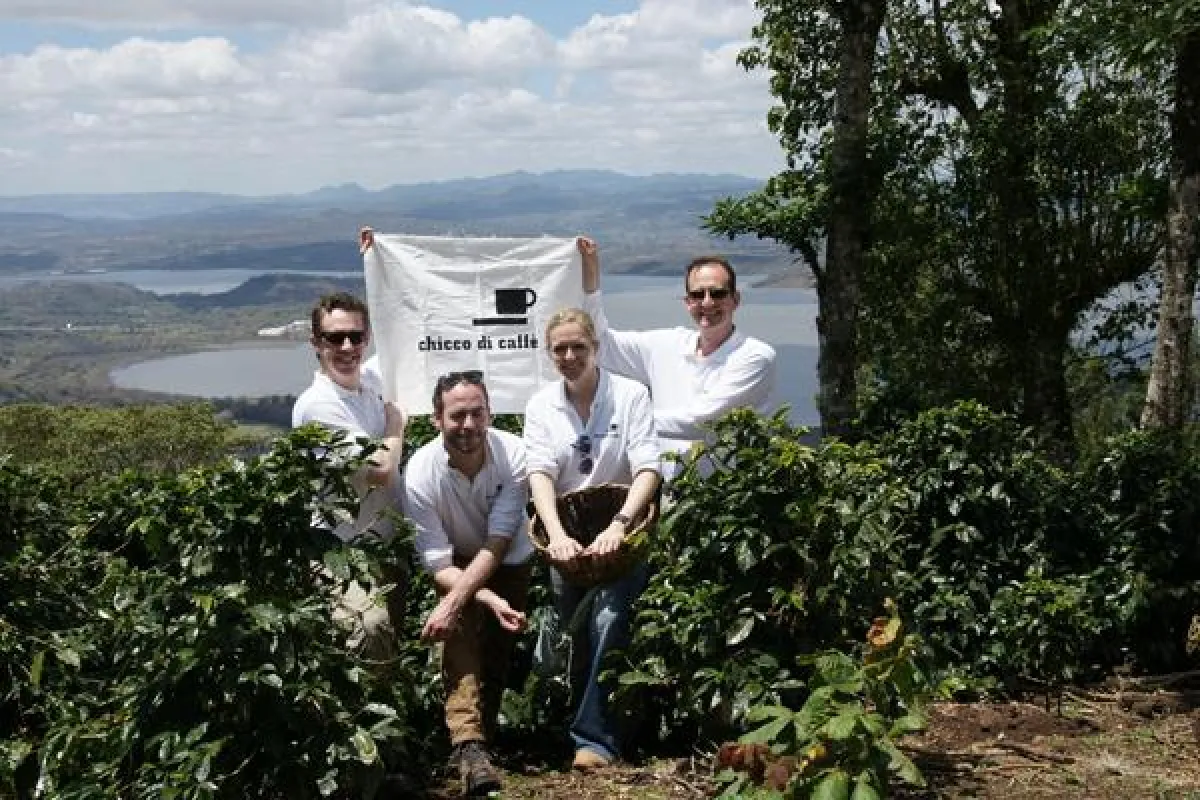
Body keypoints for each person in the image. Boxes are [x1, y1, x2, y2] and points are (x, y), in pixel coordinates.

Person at [523, 308, 662, 769]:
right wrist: (557, 535)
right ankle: (582, 729)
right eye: (559, 349)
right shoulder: (542, 405)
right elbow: (540, 473)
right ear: (550, 354)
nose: (568, 356)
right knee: (574, 635)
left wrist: (621, 523)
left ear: (594, 348)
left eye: (577, 347)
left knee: (608, 619)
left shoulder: (630, 395)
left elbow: (648, 467)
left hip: (622, 536)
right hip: (569, 539)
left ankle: (594, 741)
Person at [401, 371, 532, 797]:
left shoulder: (513, 455)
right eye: (457, 415)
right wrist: (463, 601)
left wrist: (473, 600)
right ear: (437, 419)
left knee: (496, 648)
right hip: (455, 562)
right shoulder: (420, 472)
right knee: (460, 641)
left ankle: (484, 739)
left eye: (477, 413)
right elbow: (437, 559)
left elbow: (498, 541)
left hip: (507, 559)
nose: (469, 425)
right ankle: (468, 746)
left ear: (490, 414)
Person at [578, 238, 777, 475]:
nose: (707, 302)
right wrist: (591, 282)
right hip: (669, 496)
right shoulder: (667, 345)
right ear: (687, 302)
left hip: (731, 498)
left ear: (735, 300)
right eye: (697, 294)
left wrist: (619, 419)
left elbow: (702, 421)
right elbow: (601, 345)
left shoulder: (755, 357)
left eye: (718, 293)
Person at [292, 291, 407, 661]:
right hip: (340, 549)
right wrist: (395, 428)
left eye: (356, 337)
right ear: (315, 343)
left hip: (384, 544)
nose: (346, 347)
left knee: (391, 642)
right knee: (369, 631)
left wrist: (382, 262)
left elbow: (409, 346)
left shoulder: (367, 382)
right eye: (334, 338)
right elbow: (380, 470)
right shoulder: (318, 406)